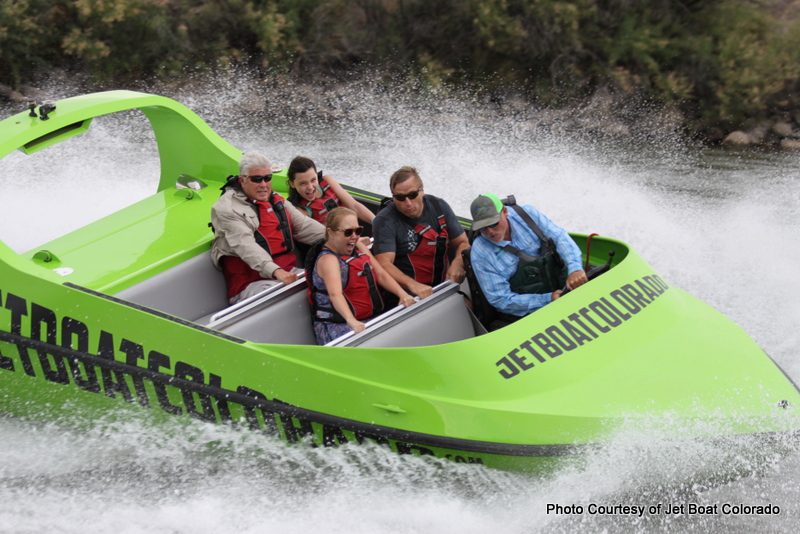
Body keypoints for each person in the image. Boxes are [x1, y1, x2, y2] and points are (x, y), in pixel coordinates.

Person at [211, 151, 325, 304]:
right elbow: (247, 246)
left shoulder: (275, 199)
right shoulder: (227, 209)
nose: (263, 184)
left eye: (267, 178)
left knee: (329, 277)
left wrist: (341, 237)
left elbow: (305, 226)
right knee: (284, 298)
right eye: (257, 179)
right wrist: (276, 271)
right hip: (251, 285)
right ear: (242, 180)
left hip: (288, 273)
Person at [469, 193, 588, 317]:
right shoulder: (480, 253)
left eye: (494, 223)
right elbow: (500, 299)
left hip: (565, 285)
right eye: (483, 228)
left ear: (505, 212)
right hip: (534, 312)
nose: (490, 232)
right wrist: (548, 299)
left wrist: (575, 269)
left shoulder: (527, 214)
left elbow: (559, 237)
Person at [308, 207, 415, 345]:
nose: (354, 236)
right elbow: (336, 295)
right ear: (331, 232)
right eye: (348, 232)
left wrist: (402, 294)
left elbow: (380, 274)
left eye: (357, 231)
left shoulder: (357, 246)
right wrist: (351, 320)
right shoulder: (328, 260)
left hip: (368, 319)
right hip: (338, 324)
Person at [371, 166, 470, 299]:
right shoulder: (384, 221)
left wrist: (458, 263)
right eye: (400, 198)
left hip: (445, 288)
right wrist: (413, 285)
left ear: (422, 190)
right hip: (407, 298)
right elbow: (383, 264)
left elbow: (463, 242)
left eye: (412, 195)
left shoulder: (439, 206)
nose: (408, 203)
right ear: (393, 197)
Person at [287, 156, 375, 225]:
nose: (310, 187)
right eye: (303, 183)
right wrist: (358, 242)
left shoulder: (327, 181)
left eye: (313, 180)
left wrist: (376, 221)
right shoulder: (300, 210)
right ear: (292, 184)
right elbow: (326, 235)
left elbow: (354, 205)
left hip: (354, 230)